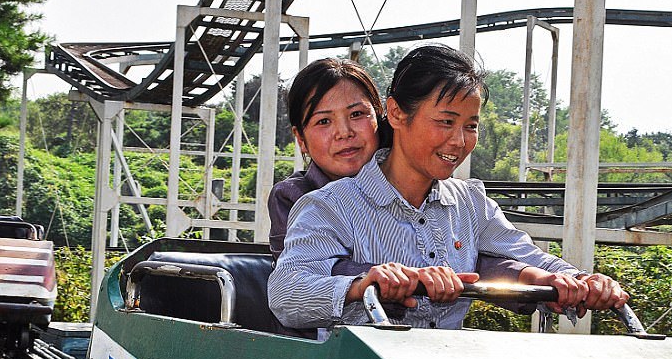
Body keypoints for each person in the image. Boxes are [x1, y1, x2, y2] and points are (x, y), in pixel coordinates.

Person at [268, 45, 627, 335]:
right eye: (444, 122)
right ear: (395, 114)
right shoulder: (326, 206)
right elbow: (286, 292)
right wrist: (364, 283)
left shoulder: (469, 203)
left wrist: (580, 280)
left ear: (378, 116)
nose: (457, 141)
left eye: (470, 126)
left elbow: (525, 256)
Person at [268, 57, 528, 284]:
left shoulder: (424, 188)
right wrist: (409, 278)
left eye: (357, 114)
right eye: (324, 121)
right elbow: (310, 274)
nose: (344, 133)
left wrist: (528, 275)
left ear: (383, 116)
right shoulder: (298, 198)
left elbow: (472, 259)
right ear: (300, 138)